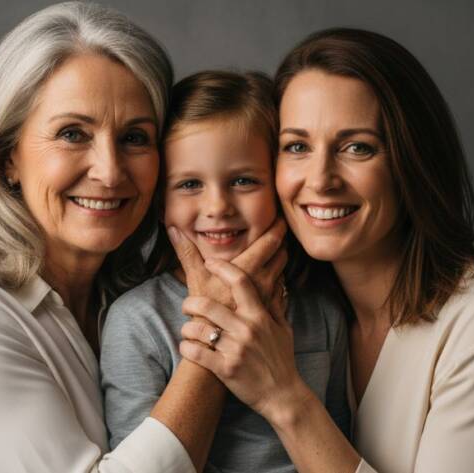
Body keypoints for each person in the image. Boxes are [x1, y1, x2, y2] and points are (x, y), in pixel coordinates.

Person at [0, 3, 286, 472]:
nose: (110, 172)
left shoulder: (123, 299)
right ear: (8, 155)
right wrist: (215, 330)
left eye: (134, 137)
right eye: (73, 133)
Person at [177, 28, 474, 472]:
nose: (321, 179)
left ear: (412, 162)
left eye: (357, 147)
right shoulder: (305, 310)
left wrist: (283, 396)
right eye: (297, 147)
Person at [100, 71, 350, 472]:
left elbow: (338, 446)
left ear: (281, 186)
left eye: (243, 180)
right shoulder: (138, 321)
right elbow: (138, 456)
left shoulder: (322, 312)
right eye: (190, 184)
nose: (218, 206)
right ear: (160, 201)